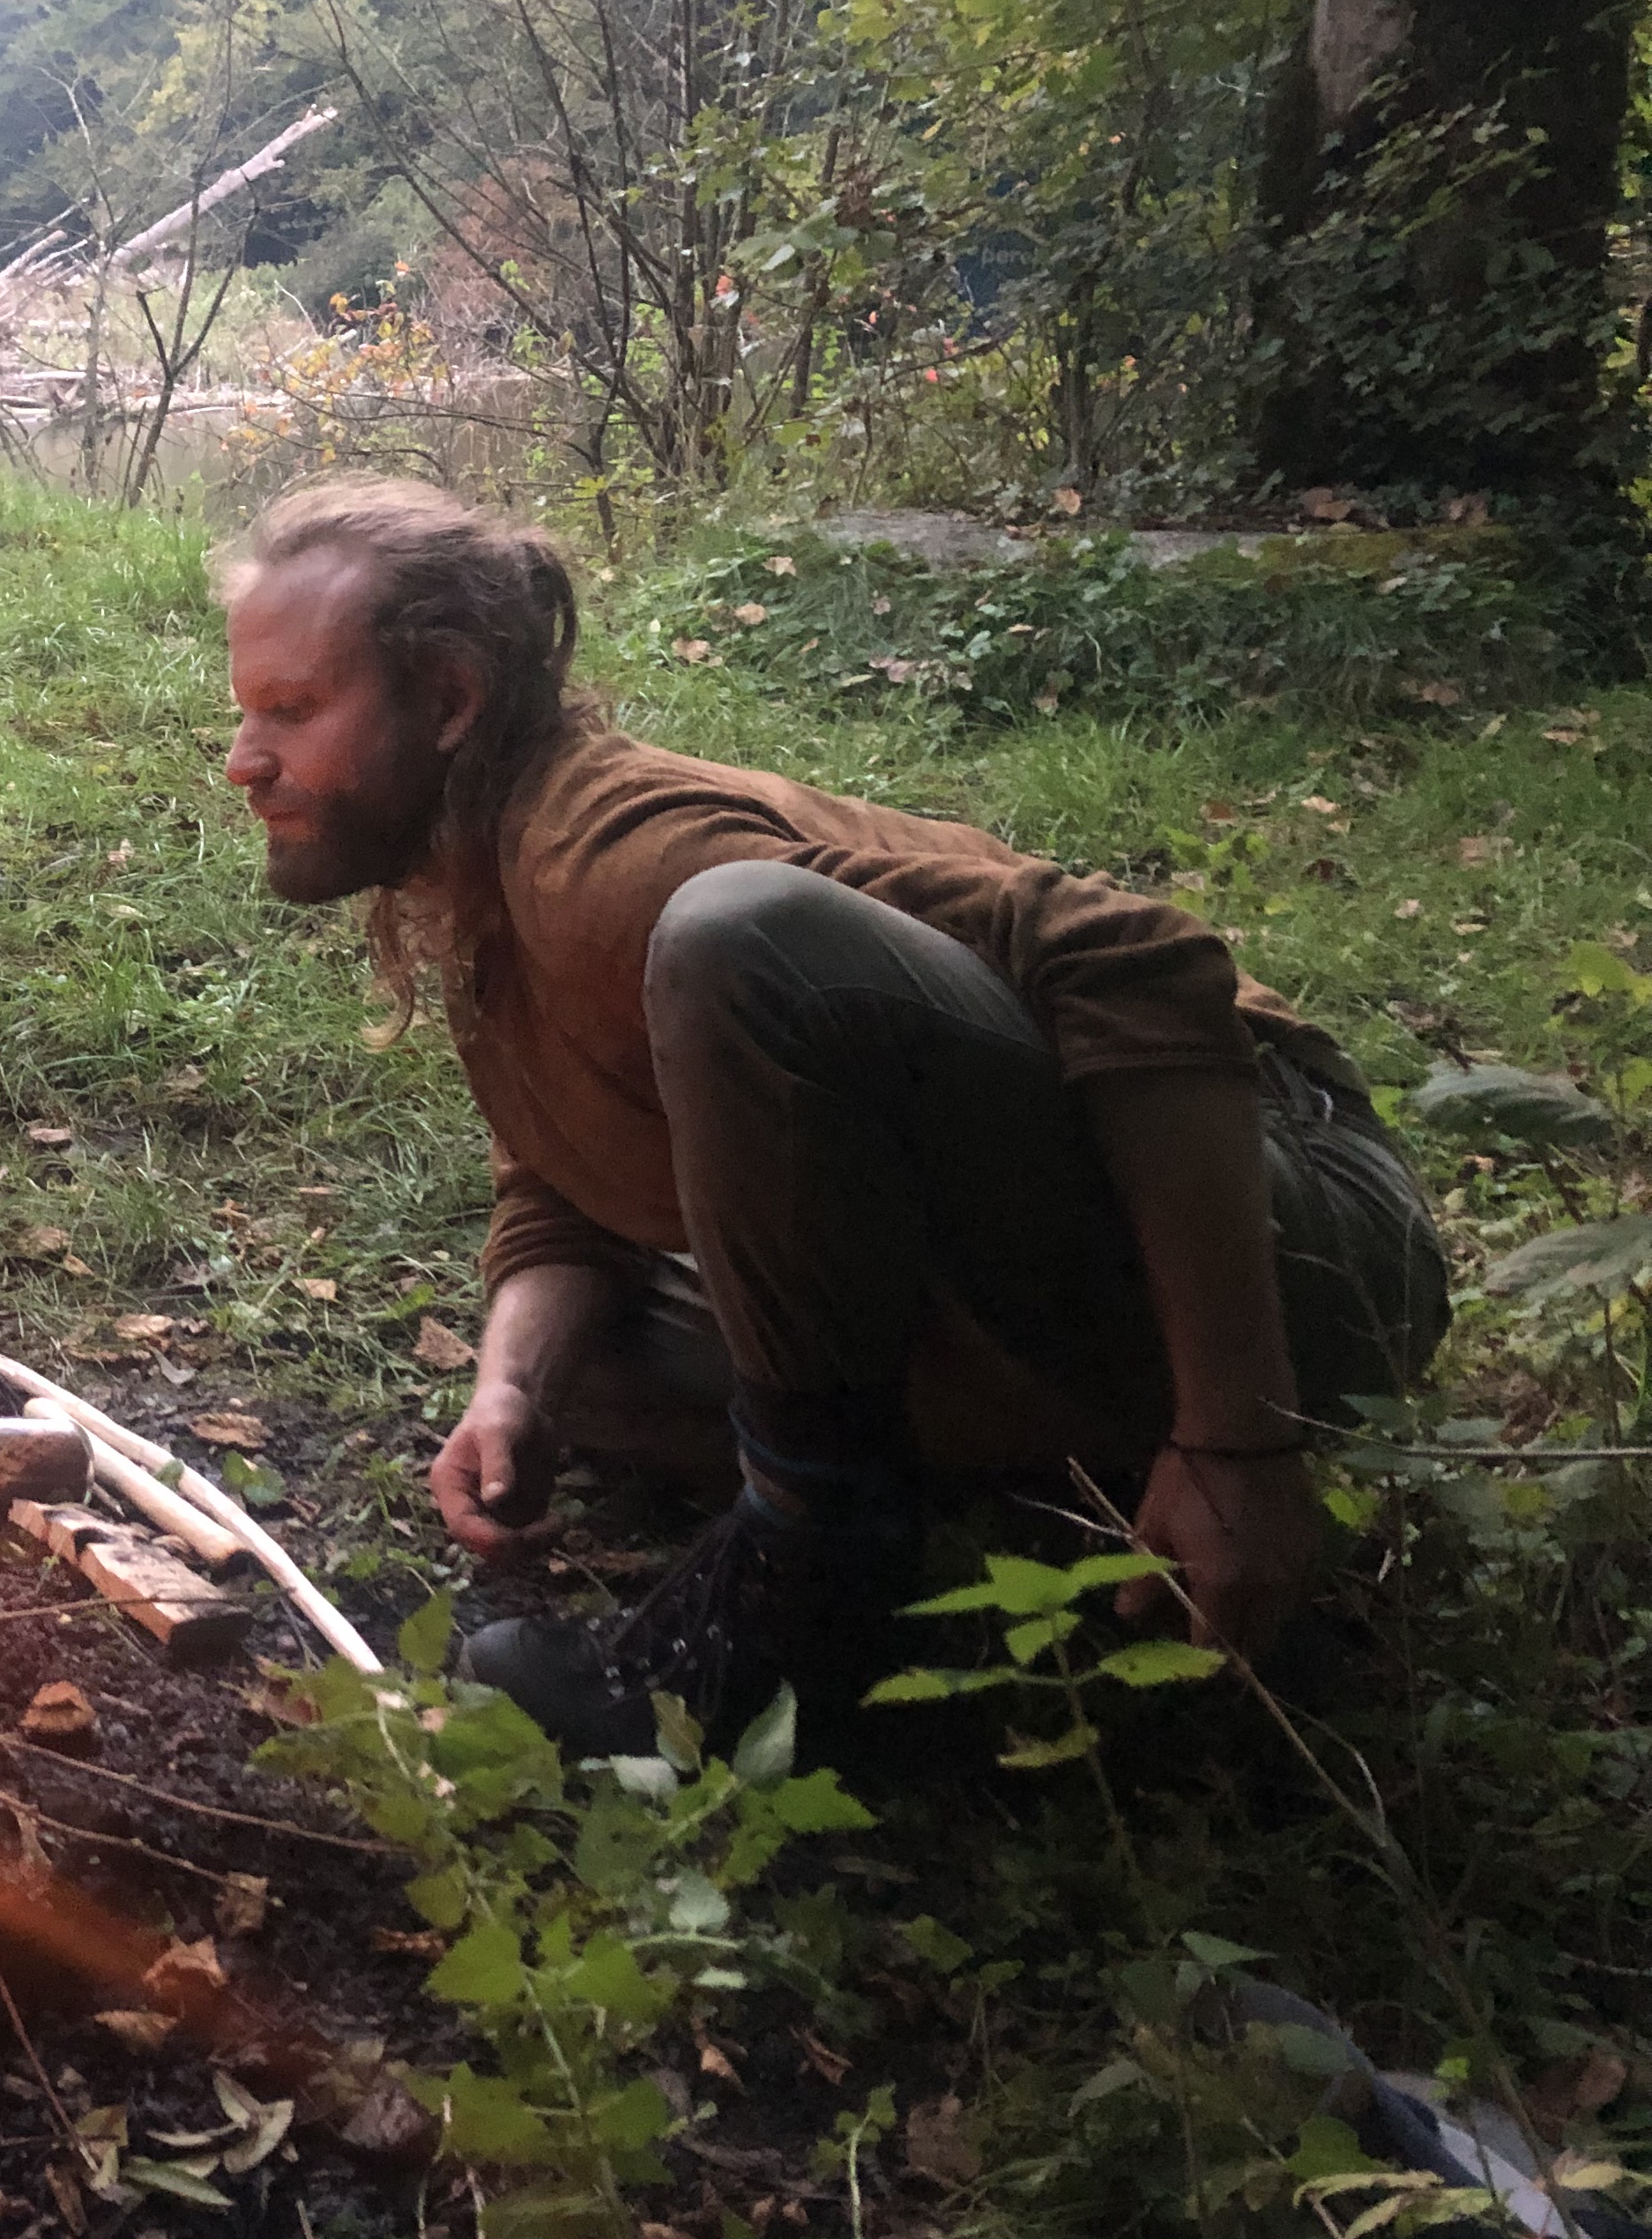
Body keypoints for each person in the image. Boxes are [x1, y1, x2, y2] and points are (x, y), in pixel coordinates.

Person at [214, 479, 1447, 1759]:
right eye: (246, 711)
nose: (246, 759)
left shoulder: (610, 859)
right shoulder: (478, 876)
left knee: (739, 934)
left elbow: (1141, 961)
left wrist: (1240, 1440)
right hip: (1074, 1265)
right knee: (595, 1377)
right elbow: (562, 1180)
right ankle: (970, 1495)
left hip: (1304, 1228)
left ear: (450, 699)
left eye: (293, 711)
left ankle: (814, 1590)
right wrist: (512, 1389)